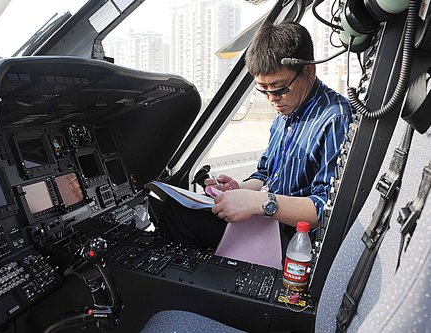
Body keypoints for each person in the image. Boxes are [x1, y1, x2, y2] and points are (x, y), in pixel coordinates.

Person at [150, 21, 354, 257]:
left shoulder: (335, 118)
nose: (272, 99)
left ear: (309, 71)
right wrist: (240, 190)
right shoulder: (286, 112)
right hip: (267, 219)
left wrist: (259, 203)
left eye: (278, 89)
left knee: (176, 218)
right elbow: (266, 174)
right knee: (165, 204)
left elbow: (325, 209)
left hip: (293, 238)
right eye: (263, 90)